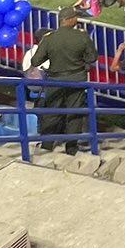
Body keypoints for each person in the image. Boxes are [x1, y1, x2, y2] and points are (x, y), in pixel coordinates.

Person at [25, 13, 97, 152]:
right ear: (69, 20)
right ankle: (71, 147)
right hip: (76, 80)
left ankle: (47, 144)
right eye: (75, 17)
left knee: (52, 112)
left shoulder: (49, 38)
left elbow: (35, 61)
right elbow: (92, 57)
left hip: (55, 81)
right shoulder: (82, 36)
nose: (76, 19)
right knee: (74, 113)